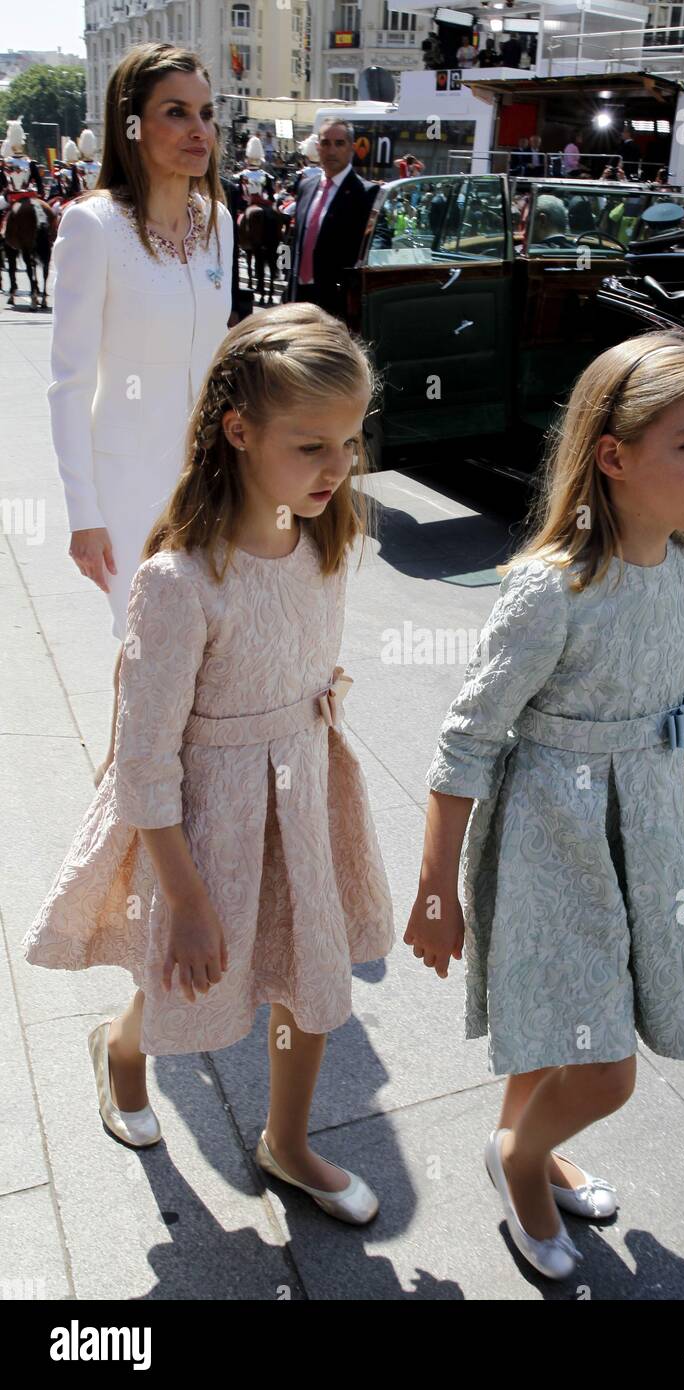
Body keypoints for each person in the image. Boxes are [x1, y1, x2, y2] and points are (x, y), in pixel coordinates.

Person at [404, 331, 684, 1281]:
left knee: (563, 1022)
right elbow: (467, 740)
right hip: (548, 837)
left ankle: (528, 1144)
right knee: (603, 1064)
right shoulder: (549, 590)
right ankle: (519, 1160)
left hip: (641, 831)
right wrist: (435, 889)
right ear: (613, 456)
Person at [22, 303, 396, 1220]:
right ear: (238, 430)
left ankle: (291, 1144)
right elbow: (146, 761)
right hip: (206, 819)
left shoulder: (324, 537)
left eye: (349, 443)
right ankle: (123, 1049)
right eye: (311, 446)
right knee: (192, 967)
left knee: (307, 976)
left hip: (302, 793)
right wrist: (184, 899)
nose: (338, 468)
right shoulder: (179, 581)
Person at [47, 42, 233, 788]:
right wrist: (82, 512)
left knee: (208, 640)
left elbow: (220, 361)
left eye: (207, 113)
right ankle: (127, 795)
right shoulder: (93, 227)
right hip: (127, 483)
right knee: (144, 638)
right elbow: (68, 381)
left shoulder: (218, 221)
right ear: (131, 126)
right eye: (176, 113)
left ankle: (174, 786)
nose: (200, 130)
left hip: (213, 475)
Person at [282, 118, 377, 320]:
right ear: (318, 147)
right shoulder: (306, 186)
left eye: (339, 143)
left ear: (351, 148)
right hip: (298, 296)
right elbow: (296, 242)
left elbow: (371, 249)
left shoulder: (366, 194)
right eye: (325, 143)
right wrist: (288, 286)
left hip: (335, 304)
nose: (331, 150)